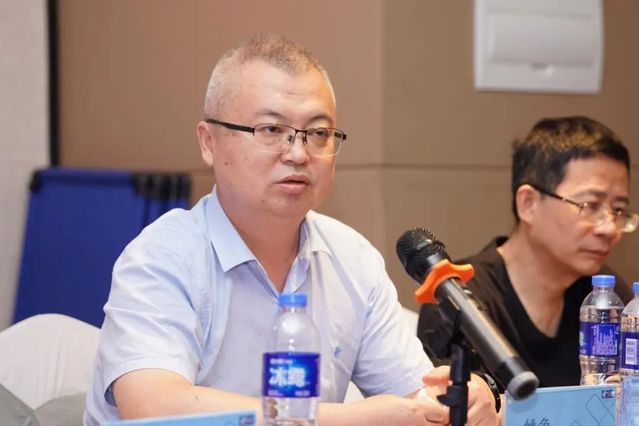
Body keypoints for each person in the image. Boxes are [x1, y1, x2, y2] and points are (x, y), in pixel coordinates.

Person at [84, 34, 498, 425]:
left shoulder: (352, 259)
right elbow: (154, 409)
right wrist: (357, 419)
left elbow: (414, 401)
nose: (298, 153)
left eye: (318, 133)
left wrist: (460, 398)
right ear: (208, 142)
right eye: (271, 130)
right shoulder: (162, 256)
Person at [418, 116, 638, 389]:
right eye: (590, 205)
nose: (609, 228)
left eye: (618, 210)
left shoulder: (605, 297)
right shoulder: (458, 298)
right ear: (528, 204)